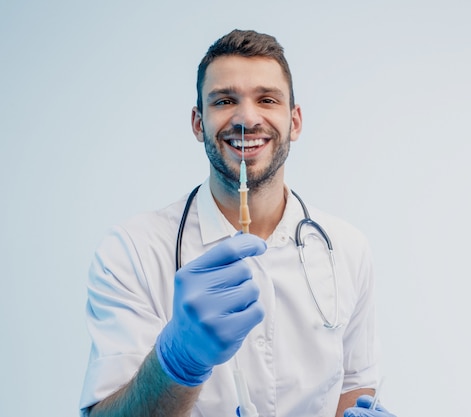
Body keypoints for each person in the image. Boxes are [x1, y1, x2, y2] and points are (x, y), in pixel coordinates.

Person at [80, 29, 397, 417]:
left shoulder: (347, 249)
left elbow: (353, 388)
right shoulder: (133, 251)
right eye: (225, 100)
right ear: (198, 123)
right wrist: (180, 359)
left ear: (294, 121)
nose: (247, 118)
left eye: (267, 99)